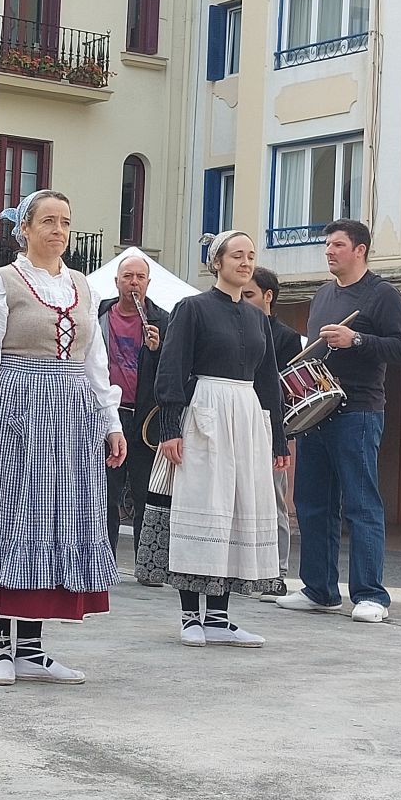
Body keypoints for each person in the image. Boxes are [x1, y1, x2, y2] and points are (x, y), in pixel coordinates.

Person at [0, 188, 123, 685]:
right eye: (48, 221)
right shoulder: (1, 283)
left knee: (55, 523)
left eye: (65, 222)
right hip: (17, 408)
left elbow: (95, 361)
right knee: (11, 521)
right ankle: (0, 647)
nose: (59, 231)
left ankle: (33, 648)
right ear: (24, 229)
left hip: (71, 416)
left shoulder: (84, 288)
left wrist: (111, 422)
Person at [141, 231, 287, 648]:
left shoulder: (259, 318)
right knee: (201, 505)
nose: (245, 262)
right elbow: (171, 367)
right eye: (236, 255)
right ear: (216, 263)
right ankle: (191, 615)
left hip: (244, 415)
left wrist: (278, 440)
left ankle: (220, 618)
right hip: (204, 410)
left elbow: (268, 383)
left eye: (250, 256)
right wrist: (170, 427)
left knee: (235, 508)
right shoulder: (192, 308)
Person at [276, 219, 401, 624]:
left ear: (360, 250)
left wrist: (358, 340)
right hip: (316, 411)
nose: (329, 251)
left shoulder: (382, 294)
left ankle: (371, 596)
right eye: (327, 245)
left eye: (337, 245)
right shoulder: (322, 294)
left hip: (359, 411)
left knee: (361, 503)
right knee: (312, 503)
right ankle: (319, 589)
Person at [98, 252, 166, 559]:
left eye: (140, 277)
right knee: (106, 492)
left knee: (144, 491)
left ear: (148, 283)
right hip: (106, 415)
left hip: (144, 420)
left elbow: (172, 371)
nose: (133, 283)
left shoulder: (163, 320)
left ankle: (145, 562)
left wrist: (157, 349)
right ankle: (105, 559)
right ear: (116, 282)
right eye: (127, 277)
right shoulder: (98, 314)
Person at [248, 266, 302, 600]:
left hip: (270, 427)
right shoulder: (237, 325)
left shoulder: (285, 337)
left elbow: (287, 389)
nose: (244, 298)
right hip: (238, 420)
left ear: (268, 296)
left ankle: (277, 572)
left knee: (273, 501)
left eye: (250, 294)